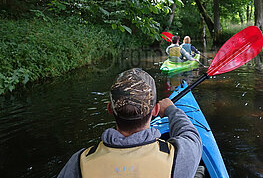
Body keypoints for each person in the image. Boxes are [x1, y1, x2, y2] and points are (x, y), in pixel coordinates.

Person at [57, 68, 202, 178]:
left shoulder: (79, 161)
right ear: (155, 110)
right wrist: (171, 110)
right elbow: (190, 135)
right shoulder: (177, 157)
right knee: (200, 171)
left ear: (110, 109)